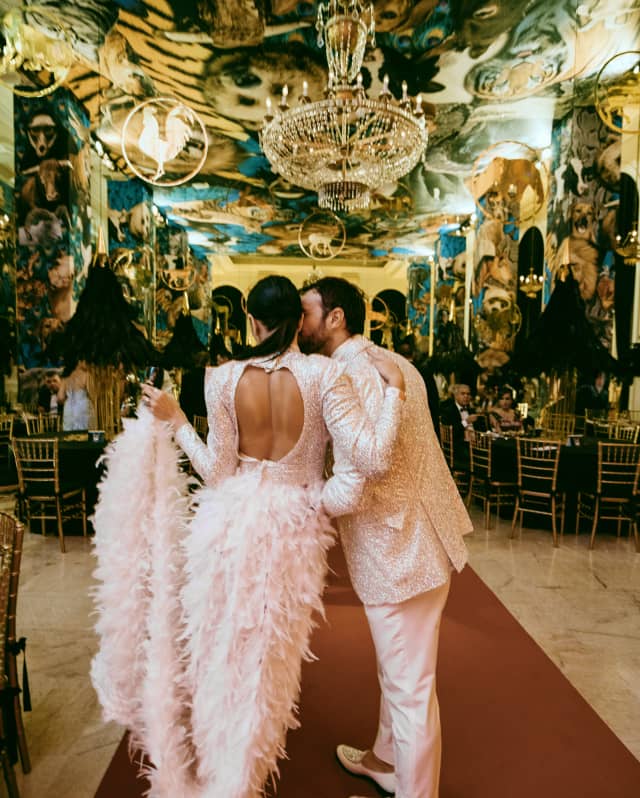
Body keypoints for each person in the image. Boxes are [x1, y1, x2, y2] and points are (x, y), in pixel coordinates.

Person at [91, 275, 406, 797]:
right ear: (297, 322)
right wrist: (320, 495)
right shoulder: (324, 376)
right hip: (290, 533)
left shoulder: (222, 378)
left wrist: (176, 421)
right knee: (268, 663)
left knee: (219, 651)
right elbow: (369, 460)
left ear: (251, 321)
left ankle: (218, 767)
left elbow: (217, 472)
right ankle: (243, 777)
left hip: (230, 526)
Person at [299, 277, 471, 798]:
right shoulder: (392, 362)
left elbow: (361, 477)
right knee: (398, 674)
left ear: (336, 318)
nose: (299, 322)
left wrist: (298, 504)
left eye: (306, 312)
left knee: (410, 688)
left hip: (400, 551)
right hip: (417, 542)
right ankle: (385, 760)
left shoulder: (352, 374)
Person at [58, 359, 97, 430]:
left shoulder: (66, 377)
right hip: (83, 406)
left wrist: (68, 401)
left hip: (68, 408)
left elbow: (60, 397)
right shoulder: (86, 375)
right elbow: (93, 394)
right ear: (79, 362)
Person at [439, 383, 479, 451]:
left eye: (468, 394)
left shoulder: (472, 410)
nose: (466, 396)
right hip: (459, 446)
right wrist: (466, 422)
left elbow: (478, 430)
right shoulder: (448, 411)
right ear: (456, 396)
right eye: (463, 394)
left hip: (476, 443)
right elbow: (449, 433)